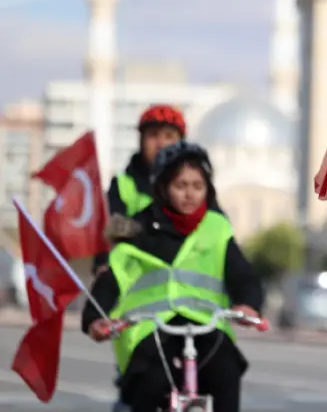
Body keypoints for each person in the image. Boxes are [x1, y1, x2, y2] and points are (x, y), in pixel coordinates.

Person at [82, 140, 264, 412]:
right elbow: (111, 279)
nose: (190, 194)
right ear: (162, 187)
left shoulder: (217, 228)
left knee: (226, 370)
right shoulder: (137, 231)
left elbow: (243, 275)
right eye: (181, 186)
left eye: (198, 186)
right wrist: (95, 319)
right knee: (150, 380)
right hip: (152, 331)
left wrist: (248, 304)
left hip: (205, 327)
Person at [92, 103, 187, 276]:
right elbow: (106, 238)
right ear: (141, 141)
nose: (161, 144)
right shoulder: (122, 185)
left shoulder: (196, 187)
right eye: (153, 135)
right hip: (136, 281)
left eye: (169, 136)